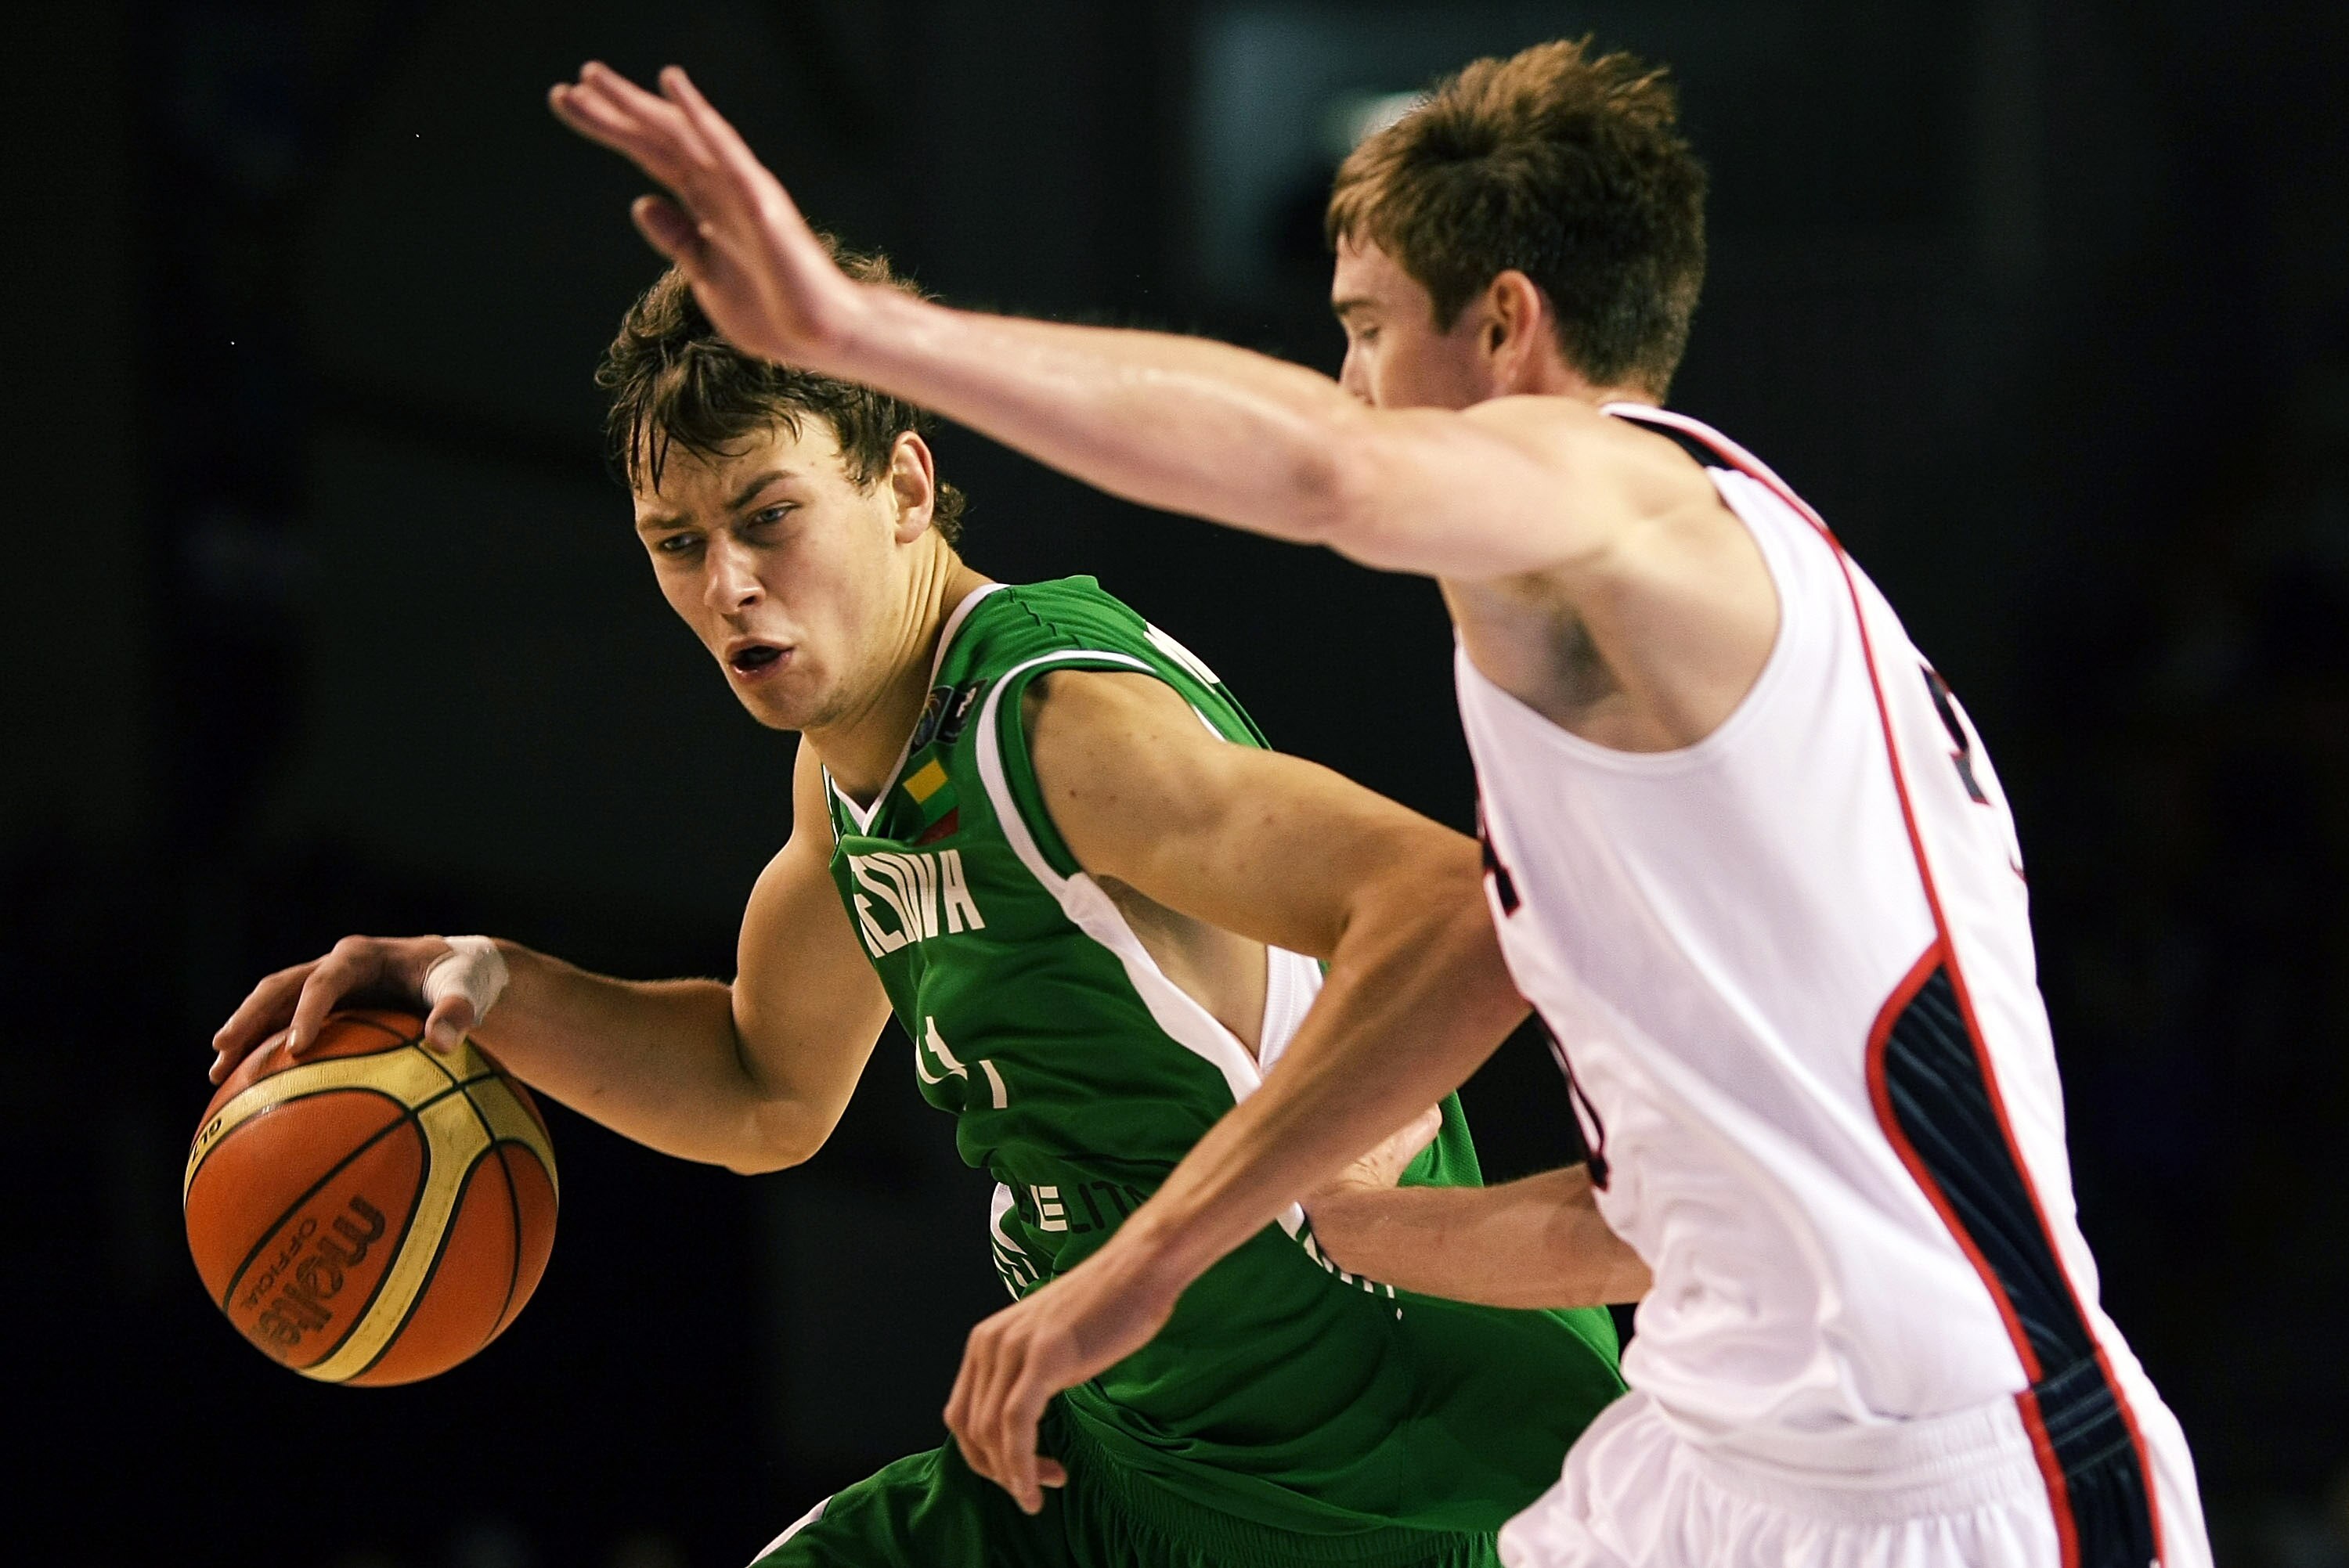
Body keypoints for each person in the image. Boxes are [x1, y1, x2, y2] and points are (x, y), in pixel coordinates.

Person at [546, 35, 2215, 1568]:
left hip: (1958, 1481)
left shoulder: (1630, 504)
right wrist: (1340, 1219)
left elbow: (1326, 476)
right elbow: (1650, 1211)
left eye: (1358, 332)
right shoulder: (1614, 659)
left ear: (1502, 328)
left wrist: (855, 334)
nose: (1337, 386)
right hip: (1701, 1474)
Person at [209, 251, 1632, 1566]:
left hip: (1382, 1472)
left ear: (901, 485)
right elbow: (764, 1087)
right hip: (1115, 1462)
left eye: (769, 516)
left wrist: (1245, 1213)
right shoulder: (849, 780)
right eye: (677, 543)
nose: (731, 587)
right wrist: (491, 982)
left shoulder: (1054, 724)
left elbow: (1453, 911)